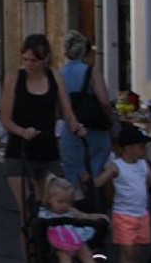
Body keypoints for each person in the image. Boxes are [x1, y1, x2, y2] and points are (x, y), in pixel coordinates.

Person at [0, 34, 86, 259]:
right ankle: (30, 256)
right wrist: (22, 131)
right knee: (29, 214)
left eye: (34, 61)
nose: (29, 65)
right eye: (25, 60)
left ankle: (52, 254)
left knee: (54, 209)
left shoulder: (54, 77)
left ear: (46, 59)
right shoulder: (14, 78)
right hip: (20, 153)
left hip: (48, 153)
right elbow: (5, 118)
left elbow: (67, 112)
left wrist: (76, 126)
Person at [94, 125, 151, 263]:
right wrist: (90, 179)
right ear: (129, 148)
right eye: (141, 146)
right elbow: (98, 182)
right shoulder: (116, 166)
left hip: (142, 214)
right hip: (123, 215)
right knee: (127, 253)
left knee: (136, 254)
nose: (145, 149)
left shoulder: (143, 164)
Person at [59, 31, 112, 204]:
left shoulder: (59, 74)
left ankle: (74, 211)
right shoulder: (91, 71)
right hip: (93, 128)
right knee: (93, 168)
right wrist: (109, 119)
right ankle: (91, 206)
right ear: (84, 51)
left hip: (69, 128)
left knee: (72, 174)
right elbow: (104, 101)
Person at [38, 176, 108, 263]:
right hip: (59, 243)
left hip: (75, 239)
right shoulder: (46, 214)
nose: (64, 205)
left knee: (85, 252)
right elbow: (41, 225)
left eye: (68, 202)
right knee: (63, 256)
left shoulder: (70, 211)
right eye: (60, 202)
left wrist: (98, 216)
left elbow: (84, 216)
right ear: (49, 200)